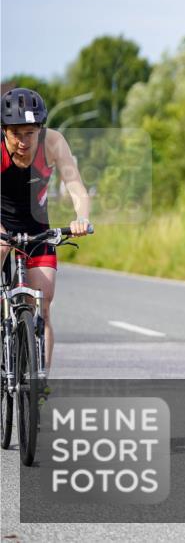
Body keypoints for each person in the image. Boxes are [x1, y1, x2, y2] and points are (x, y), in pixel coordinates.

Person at [0, 88, 92, 377]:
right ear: (4, 130)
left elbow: (76, 186)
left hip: (36, 227)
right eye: (16, 133)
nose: (23, 141)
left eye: (30, 133)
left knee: (43, 300)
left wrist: (81, 218)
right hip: (1, 223)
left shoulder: (53, 143)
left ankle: (40, 382)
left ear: (40, 128)